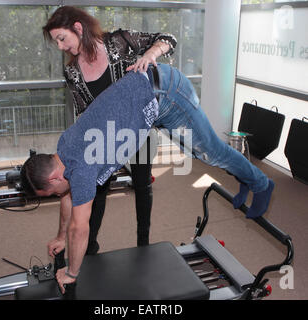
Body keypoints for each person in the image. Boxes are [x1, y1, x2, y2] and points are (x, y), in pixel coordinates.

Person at [21, 63, 274, 293]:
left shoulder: (82, 168)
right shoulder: (64, 147)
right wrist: (58, 236)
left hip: (167, 94)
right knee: (204, 153)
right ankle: (245, 179)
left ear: (54, 177)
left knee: (211, 153)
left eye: (52, 193)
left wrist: (72, 273)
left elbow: (79, 228)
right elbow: (68, 196)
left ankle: (261, 184)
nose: (58, 196)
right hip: (151, 94)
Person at [42, 6, 177, 255]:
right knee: (96, 189)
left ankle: (143, 245)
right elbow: (84, 111)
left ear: (78, 28)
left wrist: (150, 55)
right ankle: (89, 248)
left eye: (62, 38)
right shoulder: (72, 71)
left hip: (138, 131)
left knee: (142, 185)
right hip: (103, 139)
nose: (60, 47)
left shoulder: (119, 41)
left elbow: (168, 38)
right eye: (56, 42)